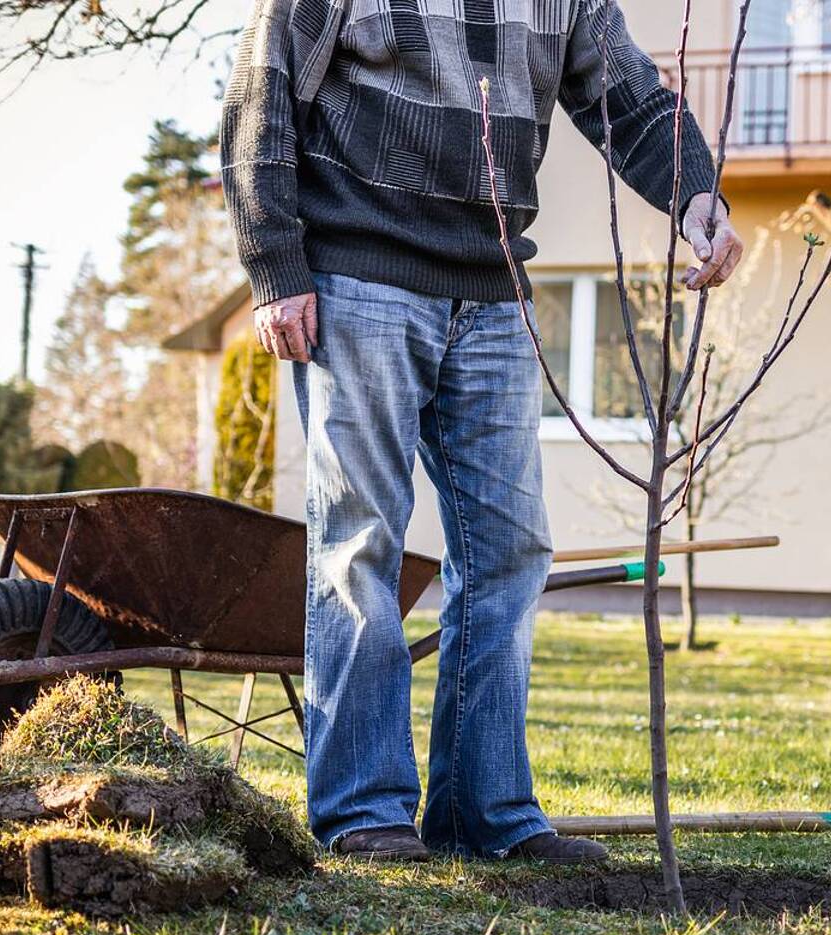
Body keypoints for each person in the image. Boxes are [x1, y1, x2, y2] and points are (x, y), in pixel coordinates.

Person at [220, 0, 744, 863]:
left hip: (495, 291)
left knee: (508, 550)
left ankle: (481, 813)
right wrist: (275, 265)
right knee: (361, 543)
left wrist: (696, 192)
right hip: (359, 279)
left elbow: (634, 99)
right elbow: (260, 100)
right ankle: (363, 812)